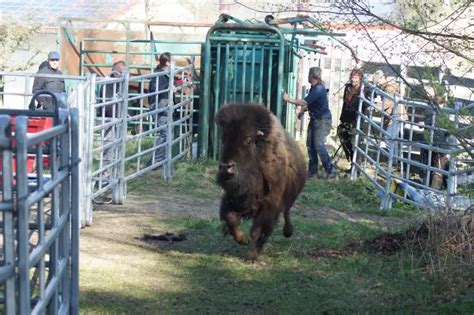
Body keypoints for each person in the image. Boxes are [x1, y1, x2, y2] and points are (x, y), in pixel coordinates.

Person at [283, 66, 336, 179]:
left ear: (312, 76)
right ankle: (313, 172)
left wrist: (288, 100)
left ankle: (331, 170)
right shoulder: (314, 88)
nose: (308, 76)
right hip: (315, 120)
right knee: (310, 146)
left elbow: (304, 101)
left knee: (319, 146)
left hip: (322, 121)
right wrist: (302, 112)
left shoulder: (318, 89)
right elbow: (310, 103)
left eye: (309, 74)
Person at [147, 52, 173, 166]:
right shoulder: (159, 75)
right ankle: (155, 161)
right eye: (173, 61)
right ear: (167, 62)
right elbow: (157, 89)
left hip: (164, 105)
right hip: (160, 106)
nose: (174, 63)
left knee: (168, 133)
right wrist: (170, 87)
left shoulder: (165, 74)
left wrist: (179, 83)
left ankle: (159, 160)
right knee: (166, 133)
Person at [337, 69, 365, 170]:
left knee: (355, 142)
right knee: (342, 135)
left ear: (360, 79)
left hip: (356, 119)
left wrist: (364, 97)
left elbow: (365, 104)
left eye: (355, 77)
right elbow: (345, 103)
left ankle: (356, 167)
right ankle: (350, 158)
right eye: (352, 77)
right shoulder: (347, 87)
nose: (353, 79)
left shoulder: (364, 89)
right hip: (346, 117)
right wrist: (342, 117)